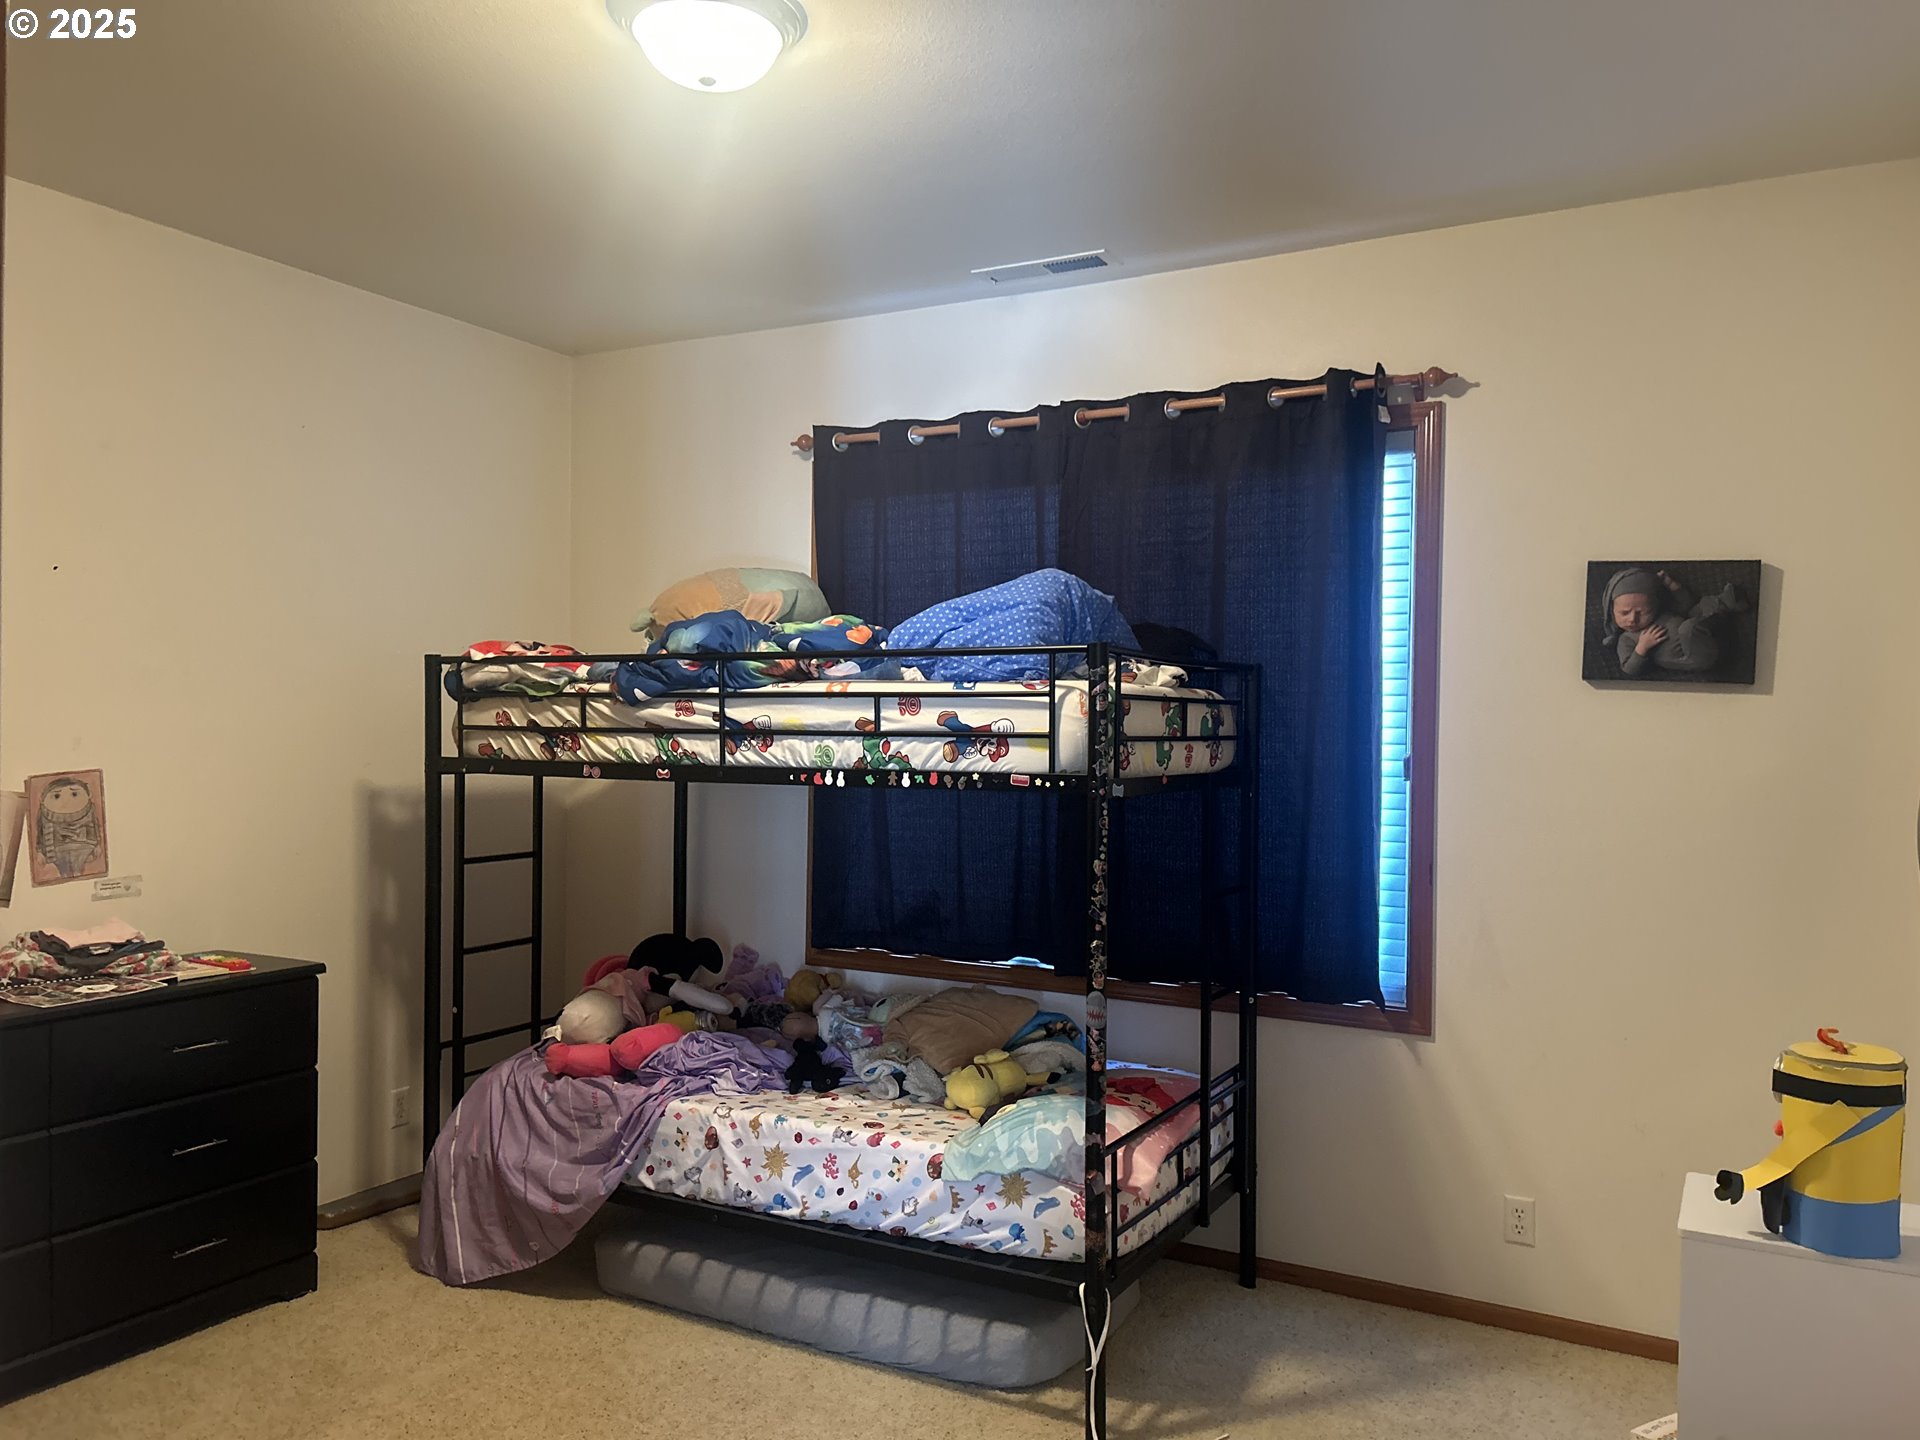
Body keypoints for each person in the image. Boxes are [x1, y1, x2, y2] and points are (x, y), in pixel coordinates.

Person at [1601, 566, 1747, 678]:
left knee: (1698, 608)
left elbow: (1686, 605)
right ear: (1612, 611)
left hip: (1698, 638)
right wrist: (1642, 647)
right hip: (1691, 657)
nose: (1632, 619)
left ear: (1655, 606)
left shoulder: (1660, 615)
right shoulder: (1626, 639)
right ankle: (1721, 612)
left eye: (1643, 612)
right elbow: (1629, 669)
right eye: (1624, 613)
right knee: (1689, 627)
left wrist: (1672, 586)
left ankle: (1729, 601)